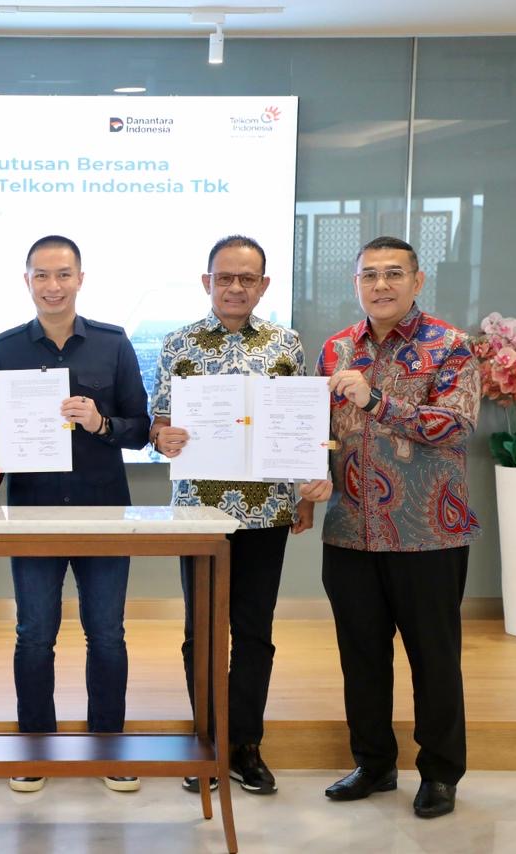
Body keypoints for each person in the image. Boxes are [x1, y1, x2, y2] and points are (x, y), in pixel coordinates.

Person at [150, 235, 331, 796]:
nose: (235, 287)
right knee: (201, 633)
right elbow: (158, 422)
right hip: (199, 515)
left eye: (247, 279)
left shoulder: (286, 344)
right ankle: (206, 741)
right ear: (207, 282)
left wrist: (305, 495)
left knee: (255, 632)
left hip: (266, 511)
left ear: (264, 285)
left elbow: (301, 425)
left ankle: (245, 745)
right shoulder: (178, 343)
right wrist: (163, 437)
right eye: (224, 277)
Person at [0, 234, 151, 794]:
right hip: (34, 514)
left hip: (104, 514)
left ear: (80, 279)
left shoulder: (113, 343)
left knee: (107, 635)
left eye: (63, 274)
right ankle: (36, 747)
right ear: (26, 280)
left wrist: (101, 423)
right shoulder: (4, 350)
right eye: (41, 275)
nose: (52, 286)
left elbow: (141, 428)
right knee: (34, 635)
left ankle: (108, 746)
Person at [318, 236, 480, 819]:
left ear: (417, 281)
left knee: (434, 659)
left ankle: (440, 773)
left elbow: (457, 425)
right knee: (361, 657)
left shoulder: (451, 345)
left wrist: (376, 400)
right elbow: (320, 432)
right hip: (349, 529)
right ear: (355, 283)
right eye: (369, 275)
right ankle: (374, 763)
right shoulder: (337, 348)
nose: (380, 285)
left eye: (393, 274)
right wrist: (308, 475)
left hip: (428, 532)